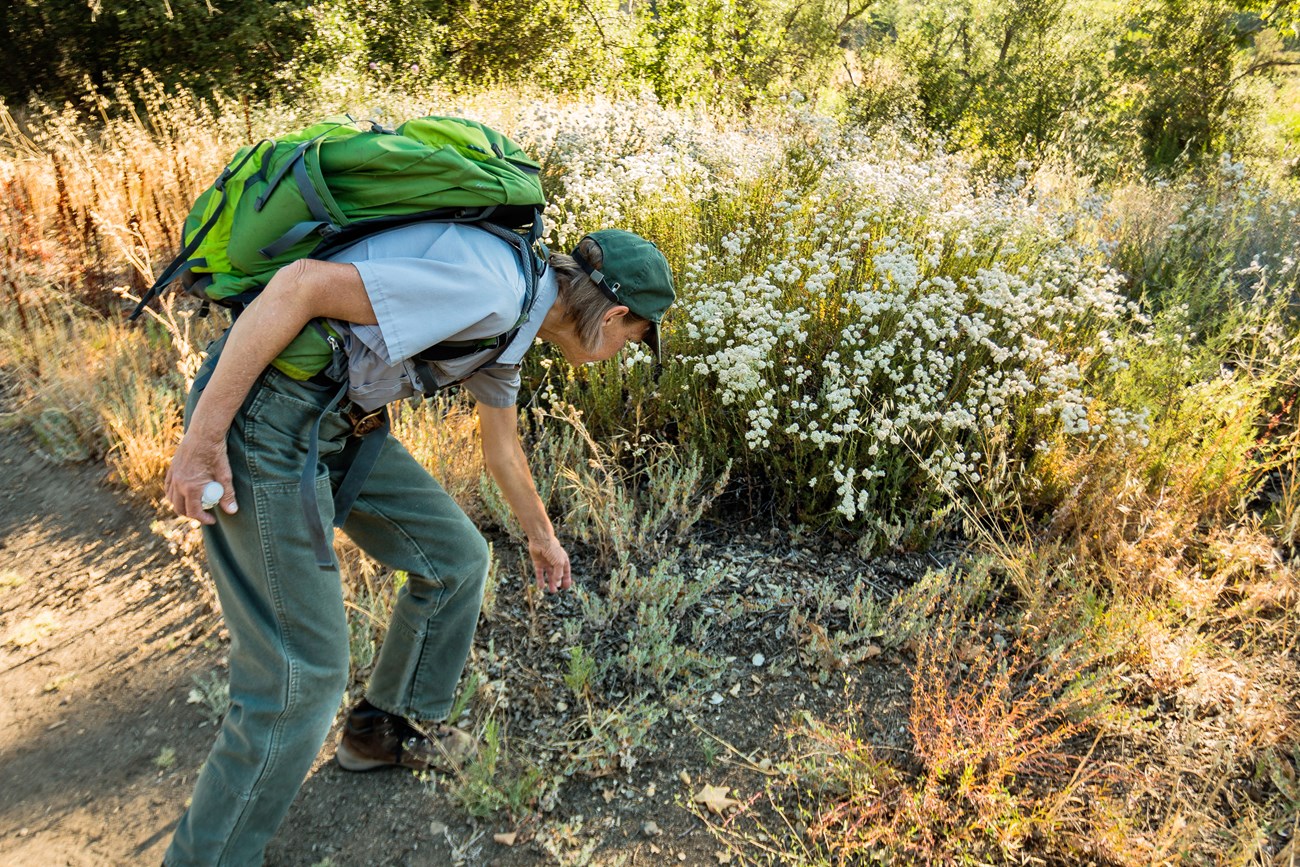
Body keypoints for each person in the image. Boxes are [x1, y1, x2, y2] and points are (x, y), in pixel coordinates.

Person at [160, 222, 675, 866]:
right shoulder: (490, 289)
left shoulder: (516, 319)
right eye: (634, 339)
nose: (626, 350)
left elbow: (502, 449)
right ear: (617, 315)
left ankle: (379, 730)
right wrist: (204, 439)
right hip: (272, 422)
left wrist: (543, 541)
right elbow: (299, 287)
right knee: (304, 674)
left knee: (457, 560)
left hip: (341, 424)